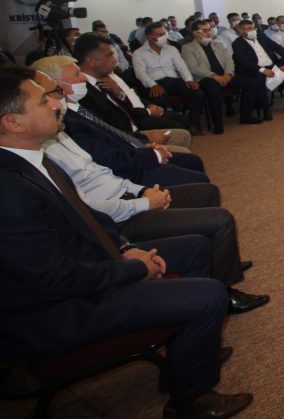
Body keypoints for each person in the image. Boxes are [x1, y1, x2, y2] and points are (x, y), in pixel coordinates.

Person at [0, 64, 253, 418]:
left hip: (91, 264)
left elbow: (88, 218)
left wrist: (124, 248)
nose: (58, 104)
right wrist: (133, 269)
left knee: (195, 247)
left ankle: (189, 356)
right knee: (209, 295)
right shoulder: (10, 190)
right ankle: (192, 402)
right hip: (55, 311)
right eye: (44, 101)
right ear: (13, 122)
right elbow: (54, 279)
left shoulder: (32, 160)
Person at [38, 83, 269, 316]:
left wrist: (142, 191)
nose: (59, 99)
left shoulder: (60, 135)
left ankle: (220, 262)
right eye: (48, 96)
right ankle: (223, 291)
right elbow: (88, 207)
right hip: (119, 217)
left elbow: (105, 173)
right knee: (219, 221)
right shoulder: (47, 154)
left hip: (128, 192)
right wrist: (145, 202)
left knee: (206, 192)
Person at [33, 57, 210, 188]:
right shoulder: (66, 120)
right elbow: (104, 156)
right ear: (57, 84)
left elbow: (111, 131)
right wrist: (150, 152)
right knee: (198, 178)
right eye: (77, 74)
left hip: (131, 147)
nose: (84, 78)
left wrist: (140, 144)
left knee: (192, 160)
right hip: (126, 171)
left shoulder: (76, 106)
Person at [74, 33, 191, 143]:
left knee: (183, 123)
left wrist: (147, 106)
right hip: (127, 135)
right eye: (109, 55)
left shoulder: (105, 77)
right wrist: (147, 117)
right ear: (92, 61)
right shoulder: (83, 91)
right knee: (179, 132)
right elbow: (111, 125)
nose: (115, 60)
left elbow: (128, 99)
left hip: (135, 120)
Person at [132, 22, 207, 136]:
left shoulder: (171, 49)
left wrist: (188, 80)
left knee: (198, 94)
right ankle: (169, 130)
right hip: (156, 82)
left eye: (164, 33)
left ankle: (192, 125)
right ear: (150, 37)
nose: (163, 36)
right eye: (159, 34)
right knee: (158, 101)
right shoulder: (139, 53)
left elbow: (181, 66)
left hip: (174, 79)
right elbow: (140, 73)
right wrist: (152, 85)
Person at [182, 19, 242, 134]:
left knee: (249, 82)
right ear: (195, 33)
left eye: (209, 29)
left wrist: (228, 74)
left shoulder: (217, 44)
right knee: (213, 90)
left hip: (224, 74)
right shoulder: (188, 48)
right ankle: (218, 124)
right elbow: (193, 68)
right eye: (205, 30)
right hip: (205, 77)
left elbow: (229, 61)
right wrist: (214, 76)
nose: (209, 32)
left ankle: (245, 115)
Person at [233, 19, 284, 114]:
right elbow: (244, 62)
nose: (252, 31)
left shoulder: (261, 36)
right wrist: (263, 70)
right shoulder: (237, 43)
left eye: (253, 28)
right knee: (259, 80)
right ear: (241, 30)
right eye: (249, 29)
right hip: (256, 69)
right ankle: (266, 109)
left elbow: (277, 47)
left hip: (272, 66)